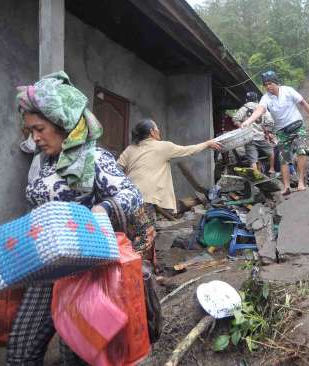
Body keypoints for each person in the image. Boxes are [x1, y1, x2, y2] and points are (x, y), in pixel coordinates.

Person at [12, 71, 143, 365]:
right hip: (45, 268)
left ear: (63, 124)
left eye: (40, 129)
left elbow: (131, 195)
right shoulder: (47, 162)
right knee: (21, 348)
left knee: (79, 352)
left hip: (84, 273)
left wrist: (103, 209)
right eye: (30, 130)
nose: (35, 137)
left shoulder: (93, 159)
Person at [117, 119, 221, 218]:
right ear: (152, 132)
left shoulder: (129, 149)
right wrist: (207, 144)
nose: (159, 131)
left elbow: (116, 169)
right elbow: (189, 150)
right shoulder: (163, 146)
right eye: (157, 128)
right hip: (149, 199)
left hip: (127, 196)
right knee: (147, 232)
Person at [241, 71, 309, 195]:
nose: (268, 86)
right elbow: (259, 110)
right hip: (282, 131)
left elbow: (303, 103)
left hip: (297, 125)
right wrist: (248, 121)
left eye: (270, 83)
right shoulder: (265, 98)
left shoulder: (288, 90)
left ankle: (301, 182)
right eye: (265, 85)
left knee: (301, 152)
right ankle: (286, 187)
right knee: (284, 159)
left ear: (276, 83)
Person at [233, 91, 276, 176]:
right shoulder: (262, 108)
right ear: (257, 99)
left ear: (246, 99)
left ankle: (256, 175)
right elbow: (270, 121)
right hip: (261, 136)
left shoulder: (243, 108)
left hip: (249, 138)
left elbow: (235, 119)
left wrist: (242, 127)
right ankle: (272, 169)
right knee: (271, 152)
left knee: (252, 159)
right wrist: (267, 133)